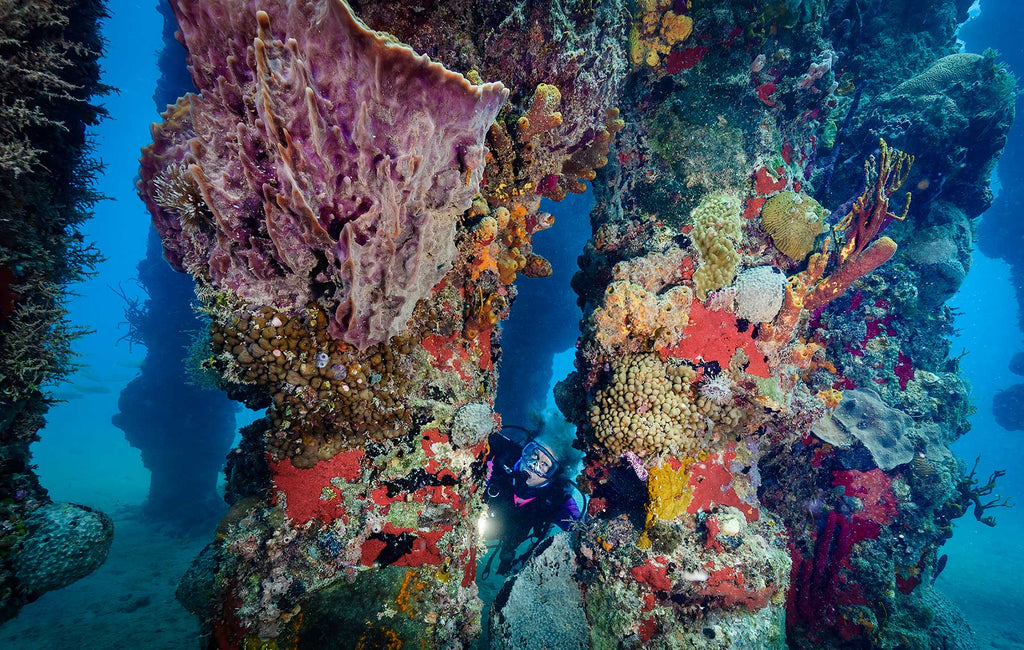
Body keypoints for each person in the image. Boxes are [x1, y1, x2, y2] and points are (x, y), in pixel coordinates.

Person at [481, 423, 584, 576]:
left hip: (508, 538)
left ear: (554, 475)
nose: (532, 465)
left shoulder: (557, 499)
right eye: (533, 454)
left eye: (544, 465)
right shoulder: (500, 457)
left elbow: (582, 531)